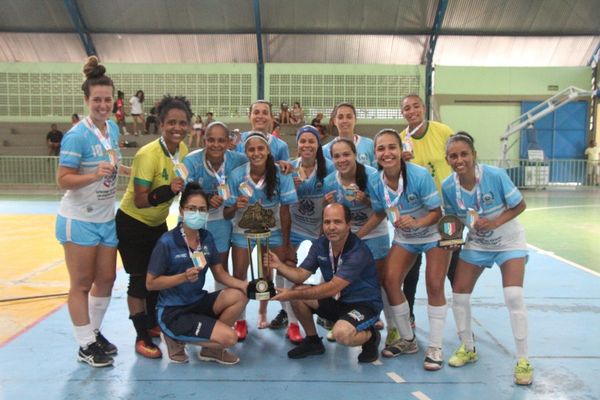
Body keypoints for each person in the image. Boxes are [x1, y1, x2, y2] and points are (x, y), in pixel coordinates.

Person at [442, 132, 533, 385]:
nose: (459, 159)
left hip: (508, 242)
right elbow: (453, 220)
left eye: (464, 154)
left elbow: (520, 205)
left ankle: (523, 360)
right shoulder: (449, 186)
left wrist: (494, 222)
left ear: (473, 155)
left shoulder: (494, 175)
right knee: (459, 295)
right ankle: (468, 348)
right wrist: (452, 240)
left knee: (514, 296)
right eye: (453, 156)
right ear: (447, 159)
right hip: (478, 243)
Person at [55, 56, 129, 368]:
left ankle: (94, 333)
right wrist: (93, 175)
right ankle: (85, 344)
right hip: (79, 219)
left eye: (107, 99)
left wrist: (127, 170)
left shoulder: (111, 128)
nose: (102, 105)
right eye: (96, 100)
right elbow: (63, 180)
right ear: (86, 100)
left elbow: (110, 164)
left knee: (107, 279)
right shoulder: (77, 135)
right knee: (82, 283)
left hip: (105, 217)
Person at [115, 95, 191, 359]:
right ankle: (141, 336)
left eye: (182, 123)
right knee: (138, 282)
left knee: (155, 279)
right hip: (133, 223)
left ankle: (151, 323)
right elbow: (140, 200)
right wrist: (167, 190)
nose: (177, 127)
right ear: (161, 124)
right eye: (171, 122)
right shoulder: (147, 154)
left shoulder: (182, 150)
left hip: (158, 223)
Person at [372, 129, 451, 371]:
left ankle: (435, 347)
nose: (387, 153)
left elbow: (437, 212)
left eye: (391, 147)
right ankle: (408, 339)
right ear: (375, 154)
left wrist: (417, 223)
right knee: (390, 280)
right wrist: (355, 236)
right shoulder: (376, 182)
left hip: (434, 233)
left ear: (400, 150)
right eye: (381, 148)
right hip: (406, 237)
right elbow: (377, 213)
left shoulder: (418, 175)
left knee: (434, 285)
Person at [146, 183, 248, 364]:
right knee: (229, 339)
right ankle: (174, 337)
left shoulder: (206, 237)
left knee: (239, 296)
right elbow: (151, 283)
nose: (197, 213)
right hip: (173, 311)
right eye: (192, 208)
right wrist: (182, 277)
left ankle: (210, 351)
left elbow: (220, 274)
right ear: (181, 211)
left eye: (202, 209)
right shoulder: (167, 242)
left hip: (197, 301)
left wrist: (246, 286)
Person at [266, 203, 382, 363]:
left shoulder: (357, 252)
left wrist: (291, 294)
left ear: (349, 225)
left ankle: (371, 336)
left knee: (341, 334)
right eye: (327, 222)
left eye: (337, 222)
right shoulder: (321, 244)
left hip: (364, 306)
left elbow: (332, 288)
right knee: (298, 293)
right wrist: (279, 265)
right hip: (339, 303)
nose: (331, 227)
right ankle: (313, 341)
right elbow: (300, 275)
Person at [224, 133, 298, 340]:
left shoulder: (281, 174)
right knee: (239, 276)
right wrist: (234, 206)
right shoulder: (237, 175)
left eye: (260, 149)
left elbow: (285, 212)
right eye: (251, 149)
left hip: (272, 232)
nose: (256, 153)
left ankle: (288, 321)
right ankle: (240, 320)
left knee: (273, 275)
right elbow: (226, 212)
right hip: (242, 232)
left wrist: (286, 242)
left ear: (268, 151)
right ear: (245, 152)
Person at [398, 94, 457, 328]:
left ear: (423, 108)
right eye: (406, 108)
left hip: (448, 211)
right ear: (402, 113)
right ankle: (409, 316)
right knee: (411, 268)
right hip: (417, 212)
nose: (411, 111)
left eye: (415, 106)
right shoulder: (402, 139)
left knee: (453, 268)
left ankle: (464, 324)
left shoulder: (443, 131)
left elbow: (459, 156)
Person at [273, 125, 334, 343]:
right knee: (286, 267)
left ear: (318, 145)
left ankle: (326, 313)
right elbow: (282, 202)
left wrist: (322, 238)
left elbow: (333, 203)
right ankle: (292, 321)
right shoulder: (289, 168)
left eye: (311, 141)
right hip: (294, 225)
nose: (307, 145)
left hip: (319, 227)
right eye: (303, 141)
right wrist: (287, 239)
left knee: (328, 268)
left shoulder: (328, 169)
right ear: (297, 144)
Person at [323, 137, 389, 336]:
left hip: (373, 231)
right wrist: (327, 204)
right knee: (344, 280)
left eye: (346, 154)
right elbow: (329, 214)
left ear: (355, 155)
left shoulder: (372, 176)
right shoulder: (329, 181)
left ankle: (375, 317)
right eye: (336, 156)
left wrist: (366, 200)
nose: (342, 159)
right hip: (345, 235)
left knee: (377, 280)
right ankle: (343, 320)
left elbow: (382, 211)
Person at [183, 121, 248, 289]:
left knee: (221, 269)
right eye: (211, 140)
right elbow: (184, 192)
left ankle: (223, 308)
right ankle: (189, 308)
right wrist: (205, 197)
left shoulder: (238, 160)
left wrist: (287, 167)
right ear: (204, 140)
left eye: (221, 140)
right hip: (193, 221)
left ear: (228, 142)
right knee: (191, 269)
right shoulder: (191, 161)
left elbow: (260, 166)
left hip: (221, 220)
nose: (216, 145)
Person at [236, 100, 292, 173]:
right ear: (249, 116)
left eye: (265, 113)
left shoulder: (281, 146)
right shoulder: (237, 141)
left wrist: (279, 166)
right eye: (256, 112)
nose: (260, 116)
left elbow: (286, 173)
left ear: (271, 117)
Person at [323, 102, 375, 167]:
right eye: (340, 117)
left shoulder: (369, 144)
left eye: (349, 117)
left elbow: (377, 171)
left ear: (355, 120)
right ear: (335, 121)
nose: (345, 121)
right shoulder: (325, 150)